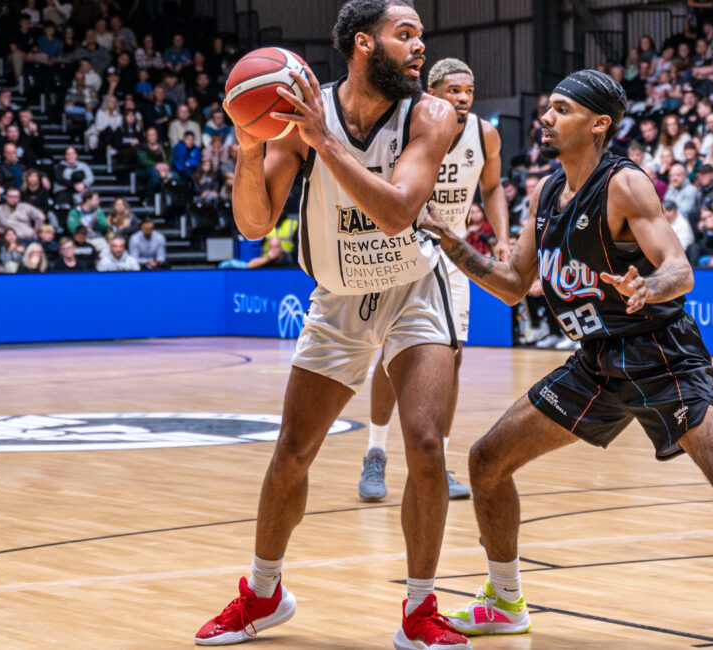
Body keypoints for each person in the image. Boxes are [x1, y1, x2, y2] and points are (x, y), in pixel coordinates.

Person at [419, 67, 713, 650]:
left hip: (662, 357)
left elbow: (679, 269)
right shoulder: (543, 195)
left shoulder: (625, 185)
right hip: (595, 362)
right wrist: (451, 241)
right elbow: (515, 285)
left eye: (560, 109)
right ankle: (507, 600)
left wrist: (651, 287)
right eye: (548, 108)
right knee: (487, 460)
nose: (545, 118)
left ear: (598, 124)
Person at [193, 3, 471, 649]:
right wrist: (249, 146)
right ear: (360, 43)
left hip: (413, 289)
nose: (419, 46)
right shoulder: (302, 115)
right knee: (292, 454)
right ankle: (263, 595)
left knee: (426, 443)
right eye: (406, 35)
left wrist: (324, 141)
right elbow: (255, 224)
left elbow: (401, 212)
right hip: (339, 298)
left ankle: (421, 610)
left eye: (421, 36)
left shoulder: (429, 113)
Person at [359, 57, 511, 504]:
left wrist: (502, 238)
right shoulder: (412, 124)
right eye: (453, 89)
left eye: (469, 90)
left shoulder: (484, 134)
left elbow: (493, 187)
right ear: (433, 91)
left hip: (453, 253)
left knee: (453, 356)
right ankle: (375, 452)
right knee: (392, 354)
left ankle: (438, 460)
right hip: (402, 248)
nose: (463, 97)